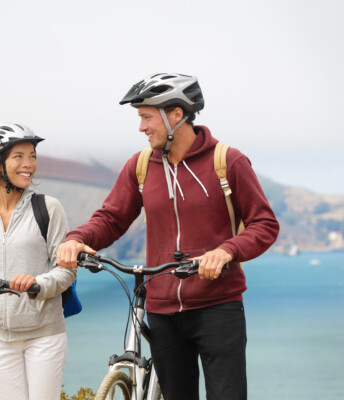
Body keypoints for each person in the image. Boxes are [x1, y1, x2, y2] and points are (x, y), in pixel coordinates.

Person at [56, 73, 279, 400]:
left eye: (147, 117)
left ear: (177, 114)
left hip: (218, 307)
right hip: (162, 311)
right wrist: (77, 238)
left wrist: (226, 251)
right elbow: (112, 218)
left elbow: (264, 224)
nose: (141, 127)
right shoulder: (141, 165)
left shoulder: (228, 162)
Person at [0, 123, 76, 400]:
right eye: (19, 156)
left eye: (33, 156)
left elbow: (67, 270)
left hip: (44, 333)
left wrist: (38, 284)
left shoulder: (48, 208)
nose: (29, 164)